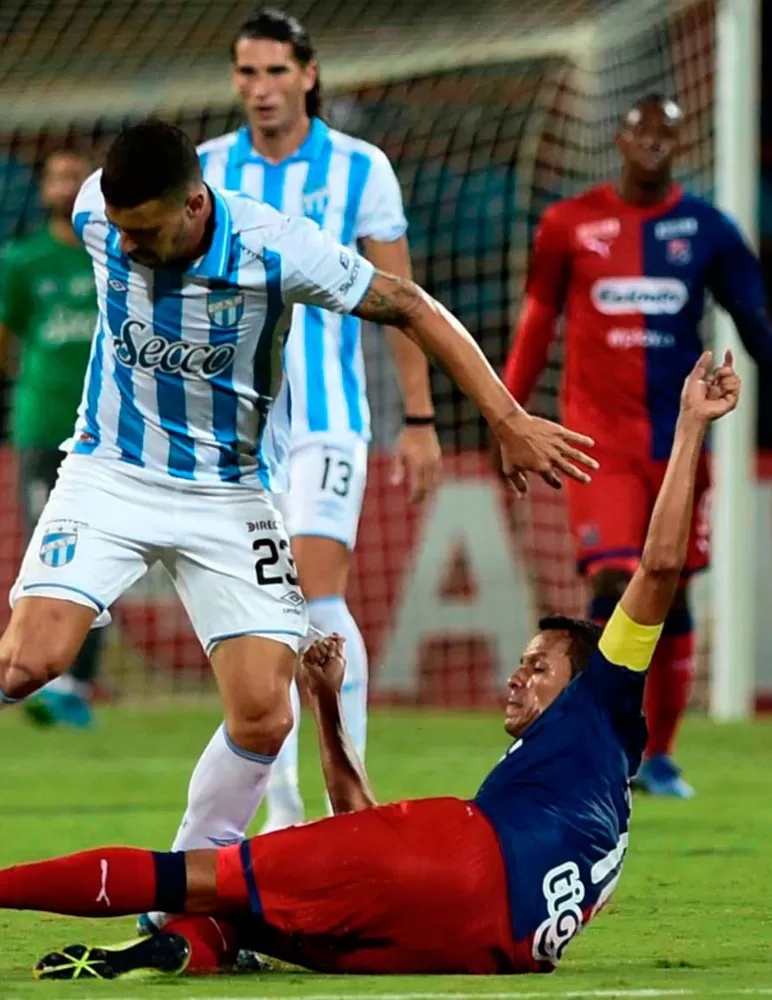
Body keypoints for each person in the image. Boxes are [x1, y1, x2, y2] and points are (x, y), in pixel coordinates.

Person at [0, 120, 595, 897]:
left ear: (193, 205)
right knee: (31, 659)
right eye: (121, 233)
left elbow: (409, 304)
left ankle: (185, 888)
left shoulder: (277, 248)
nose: (130, 249)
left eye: (146, 233)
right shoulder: (94, 216)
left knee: (264, 716)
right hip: (111, 471)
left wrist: (506, 417)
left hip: (230, 493)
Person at [0, 350, 740, 978]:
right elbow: (365, 833)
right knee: (276, 923)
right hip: (483, 949)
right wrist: (326, 707)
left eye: (539, 665)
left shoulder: (605, 701)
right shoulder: (566, 790)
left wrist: (693, 427)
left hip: (470, 865)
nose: (518, 677)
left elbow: (657, 568)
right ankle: (180, 949)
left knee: (196, 876)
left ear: (586, 678)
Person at [503, 94, 772, 798]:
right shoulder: (569, 224)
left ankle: (661, 758)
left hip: (678, 440)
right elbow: (537, 320)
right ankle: (594, 746)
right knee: (616, 580)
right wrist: (508, 414)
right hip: (597, 440)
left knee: (672, 590)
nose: (653, 142)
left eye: (667, 134)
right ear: (619, 138)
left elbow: (753, 320)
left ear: (680, 144)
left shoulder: (708, 230)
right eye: (641, 130)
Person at [198, 8, 440, 833]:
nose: (260, 89)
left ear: (308, 74)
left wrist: (419, 417)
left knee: (316, 597)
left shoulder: (360, 168)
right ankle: (287, 811)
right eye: (247, 73)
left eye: (275, 72)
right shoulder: (207, 170)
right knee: (268, 611)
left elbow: (404, 302)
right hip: (237, 426)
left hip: (331, 418)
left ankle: (342, 806)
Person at [0, 149, 105, 729]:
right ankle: (51, 676)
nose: (64, 184)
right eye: (55, 176)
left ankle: (77, 684)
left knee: (100, 552)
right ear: (41, 189)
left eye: (74, 175)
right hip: (41, 424)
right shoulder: (22, 259)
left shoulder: (115, 250)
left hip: (107, 433)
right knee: (51, 548)